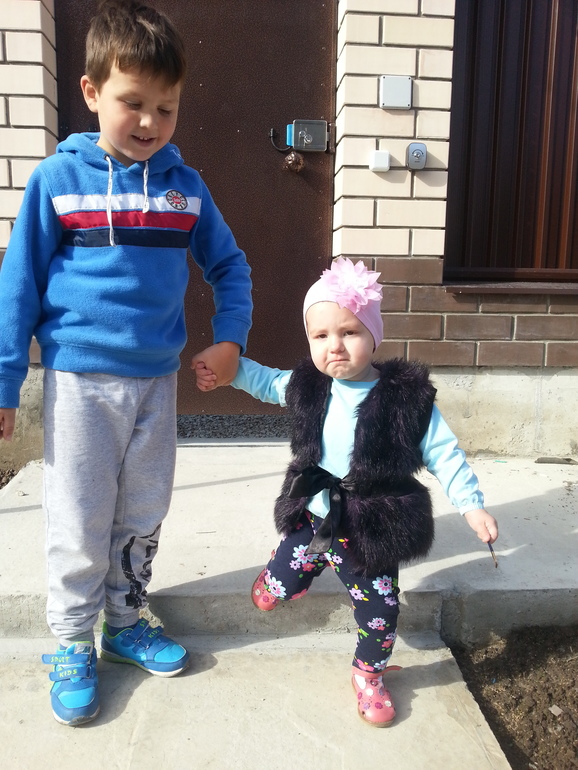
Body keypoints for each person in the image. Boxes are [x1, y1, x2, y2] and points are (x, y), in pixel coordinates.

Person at [0, 0, 252, 726]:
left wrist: (230, 337)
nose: (149, 122)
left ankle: (125, 621)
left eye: (165, 108)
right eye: (132, 103)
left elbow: (229, 266)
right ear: (91, 92)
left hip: (155, 385)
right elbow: (18, 283)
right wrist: (6, 378)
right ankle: (72, 640)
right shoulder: (57, 180)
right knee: (80, 515)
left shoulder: (185, 187)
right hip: (80, 382)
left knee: (142, 511)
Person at [195, 257, 498, 728]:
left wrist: (471, 506)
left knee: (381, 611)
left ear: (373, 336)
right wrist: (228, 368)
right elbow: (264, 381)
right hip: (314, 515)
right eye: (320, 336)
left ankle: (368, 675)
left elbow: (444, 452)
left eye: (349, 332)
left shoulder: (406, 400)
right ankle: (278, 579)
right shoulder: (308, 386)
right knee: (284, 582)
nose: (334, 346)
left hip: (370, 531)